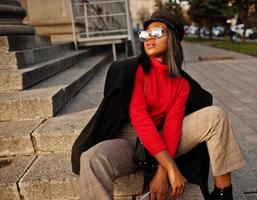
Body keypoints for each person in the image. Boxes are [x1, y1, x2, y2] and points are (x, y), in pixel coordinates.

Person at [71, 10, 245, 200]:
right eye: (145, 34)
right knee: (91, 158)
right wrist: (171, 167)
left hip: (162, 138)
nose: (149, 38)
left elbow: (172, 126)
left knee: (215, 115)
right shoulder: (134, 70)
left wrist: (162, 172)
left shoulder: (181, 83)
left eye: (157, 33)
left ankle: (223, 193)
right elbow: (140, 120)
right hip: (128, 141)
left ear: (173, 39)